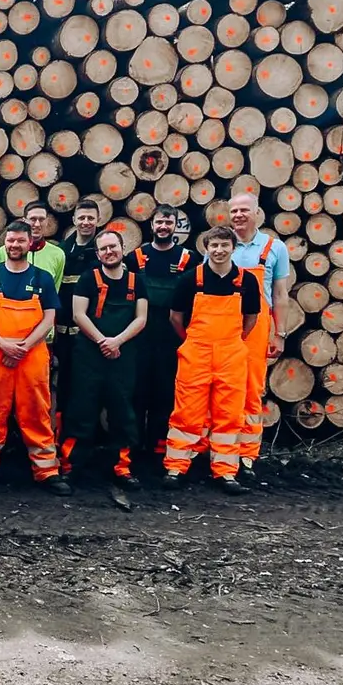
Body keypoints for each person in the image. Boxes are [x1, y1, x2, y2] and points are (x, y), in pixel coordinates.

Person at [162, 226, 262, 494]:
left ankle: (226, 472)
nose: (219, 250)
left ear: (233, 248)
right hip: (196, 352)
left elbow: (251, 318)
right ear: (206, 248)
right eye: (214, 246)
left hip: (231, 354)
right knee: (187, 412)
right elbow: (175, 316)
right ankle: (175, 467)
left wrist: (234, 340)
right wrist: (191, 340)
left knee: (228, 414)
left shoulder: (247, 282)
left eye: (224, 245)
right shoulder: (190, 279)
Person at [0, 221, 63, 493]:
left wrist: (23, 348)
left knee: (36, 411)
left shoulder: (42, 277)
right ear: (4, 243)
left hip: (31, 355)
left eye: (20, 241)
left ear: (30, 243)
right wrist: (3, 345)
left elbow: (49, 317)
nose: (15, 245)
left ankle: (46, 470)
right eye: (10, 241)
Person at [63, 229, 149, 510]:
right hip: (90, 355)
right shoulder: (89, 278)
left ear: (122, 248)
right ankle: (72, 465)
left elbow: (141, 318)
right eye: (103, 249)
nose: (108, 252)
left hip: (123, 355)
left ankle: (121, 467)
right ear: (97, 253)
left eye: (112, 247)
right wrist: (102, 341)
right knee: (82, 409)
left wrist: (117, 342)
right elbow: (78, 314)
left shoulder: (137, 281)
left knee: (123, 411)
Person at [228, 193, 296, 483]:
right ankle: (220, 452)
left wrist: (279, 334)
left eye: (244, 210)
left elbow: (281, 295)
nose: (239, 215)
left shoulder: (275, 248)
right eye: (234, 211)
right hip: (225, 325)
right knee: (222, 387)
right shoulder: (220, 245)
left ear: (257, 212)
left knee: (250, 389)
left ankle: (246, 454)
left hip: (258, 328)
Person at [130, 206, 201, 467]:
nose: (163, 227)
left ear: (175, 227)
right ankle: (134, 449)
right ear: (152, 225)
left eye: (168, 223)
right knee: (137, 393)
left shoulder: (189, 259)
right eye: (159, 222)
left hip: (172, 338)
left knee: (166, 394)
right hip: (140, 337)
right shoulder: (136, 257)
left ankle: (160, 449)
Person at [55, 199, 102, 412]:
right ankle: (63, 434)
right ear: (74, 220)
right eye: (81, 217)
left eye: (90, 218)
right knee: (64, 384)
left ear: (98, 220)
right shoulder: (62, 252)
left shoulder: (104, 252)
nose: (86, 222)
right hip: (64, 335)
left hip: (95, 334)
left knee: (90, 386)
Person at [0, 200, 67, 283]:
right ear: (24, 221)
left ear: (47, 221)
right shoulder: (4, 251)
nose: (37, 224)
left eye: (41, 219)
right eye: (33, 219)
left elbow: (54, 289)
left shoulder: (57, 254)